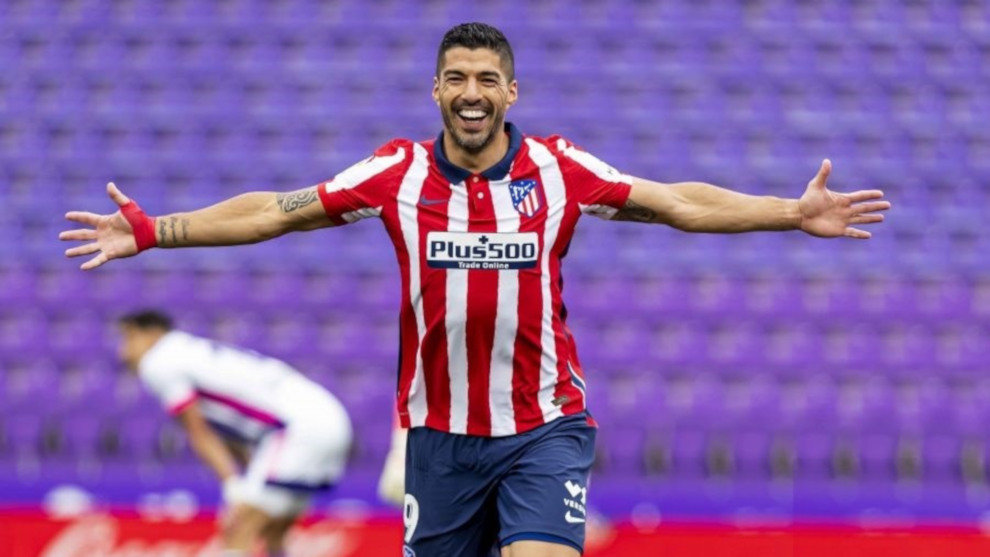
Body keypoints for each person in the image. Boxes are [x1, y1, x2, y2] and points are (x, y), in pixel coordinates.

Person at [62, 22, 890, 557]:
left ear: (510, 92)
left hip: (544, 426)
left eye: (486, 78)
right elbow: (276, 211)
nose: (470, 91)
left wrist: (790, 210)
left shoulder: (560, 170)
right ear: (436, 90)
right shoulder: (396, 173)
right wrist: (156, 228)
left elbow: (678, 200)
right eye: (456, 76)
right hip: (439, 438)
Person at [115, 310, 352, 557]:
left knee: (239, 525)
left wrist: (232, 485)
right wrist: (248, 478)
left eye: (129, 338)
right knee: (274, 530)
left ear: (153, 334)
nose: (123, 352)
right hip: (325, 416)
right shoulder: (188, 350)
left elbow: (199, 432)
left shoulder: (159, 361)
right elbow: (229, 431)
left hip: (296, 429)